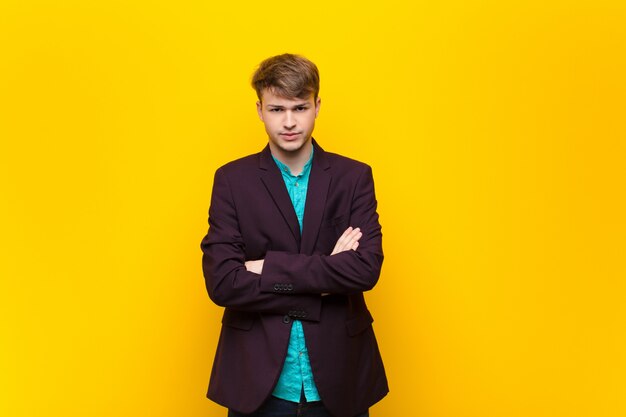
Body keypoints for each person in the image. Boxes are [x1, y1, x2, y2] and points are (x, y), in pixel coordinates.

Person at [200, 53, 388, 417]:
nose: (288, 122)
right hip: (257, 379)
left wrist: (265, 268)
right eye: (276, 109)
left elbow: (365, 271)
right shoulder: (231, 180)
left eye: (300, 108)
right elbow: (222, 283)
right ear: (259, 110)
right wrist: (327, 274)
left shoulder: (354, 178)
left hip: (339, 374)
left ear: (318, 106)